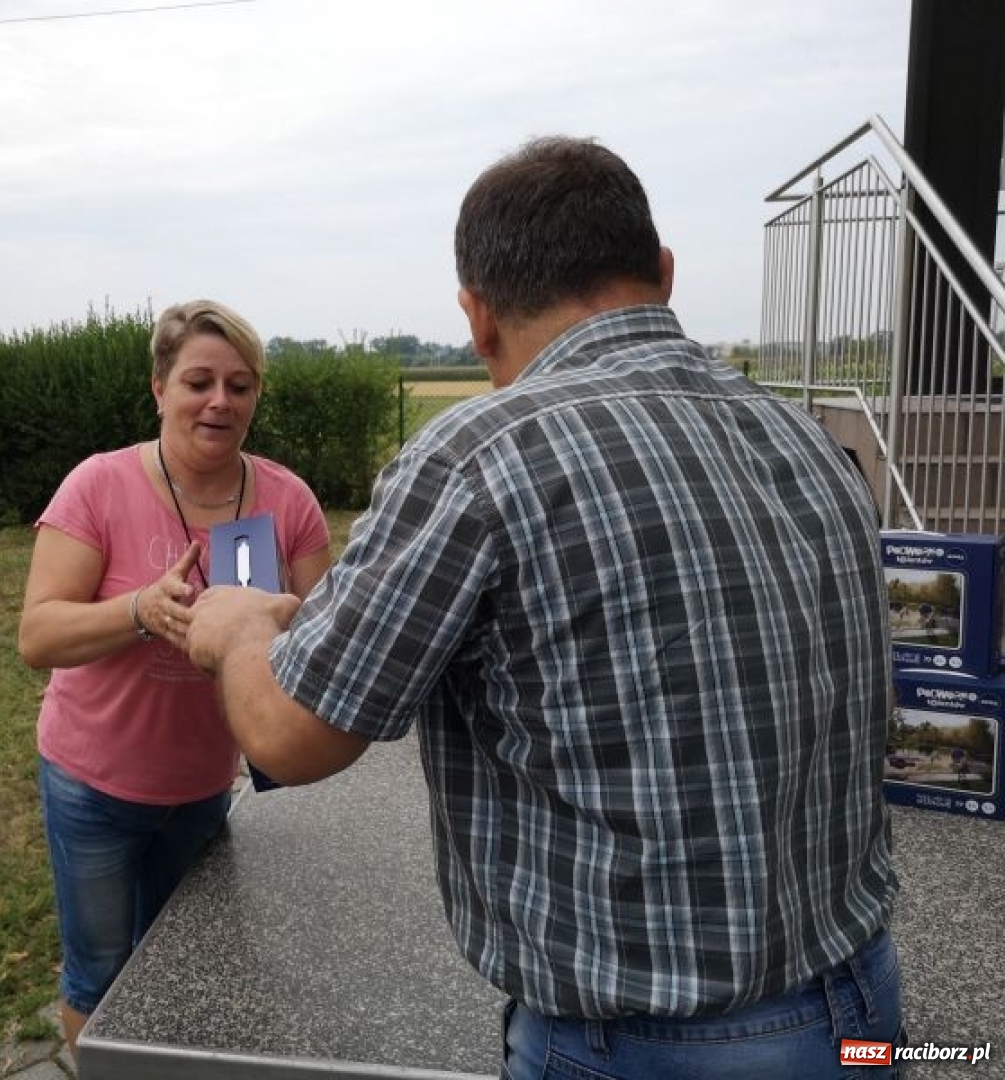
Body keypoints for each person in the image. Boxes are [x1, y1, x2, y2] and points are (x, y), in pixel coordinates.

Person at [185, 138, 901, 1079]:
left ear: (478, 318)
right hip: (863, 1007)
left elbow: (292, 739)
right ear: (664, 273)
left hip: (641, 1047)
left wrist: (239, 629)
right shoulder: (805, 437)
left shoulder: (479, 456)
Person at [17, 298, 332, 1054]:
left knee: (184, 968)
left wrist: (276, 623)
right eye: (199, 382)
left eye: (240, 385)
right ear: (160, 389)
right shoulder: (97, 486)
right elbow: (38, 635)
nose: (220, 401)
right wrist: (140, 609)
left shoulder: (287, 501)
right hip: (93, 784)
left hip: (202, 786)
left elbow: (327, 641)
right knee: (98, 973)